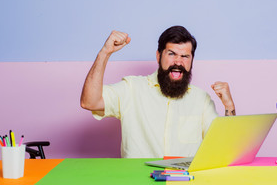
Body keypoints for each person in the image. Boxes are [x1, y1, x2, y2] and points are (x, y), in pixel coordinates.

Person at [80, 26, 235, 158]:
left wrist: (229, 106)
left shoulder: (201, 99)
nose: (178, 62)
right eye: (171, 54)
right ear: (158, 56)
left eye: (185, 56)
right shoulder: (132, 88)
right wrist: (105, 52)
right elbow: (89, 102)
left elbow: (223, 147)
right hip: (138, 180)